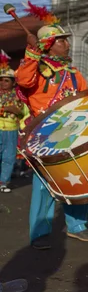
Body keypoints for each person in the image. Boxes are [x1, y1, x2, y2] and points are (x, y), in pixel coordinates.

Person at [16, 2, 88, 249]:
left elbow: (87, 99)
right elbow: (23, 79)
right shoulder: (37, 70)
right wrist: (32, 52)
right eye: (62, 40)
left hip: (74, 134)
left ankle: (77, 226)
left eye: (66, 40)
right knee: (44, 187)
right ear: (49, 45)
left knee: (79, 181)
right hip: (45, 137)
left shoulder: (74, 73)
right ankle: (40, 233)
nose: (67, 44)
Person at [0, 51, 25, 193]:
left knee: (9, 157)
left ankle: (4, 182)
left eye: (6, 80)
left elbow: (22, 112)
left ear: (13, 82)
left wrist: (15, 110)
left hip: (11, 131)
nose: (3, 83)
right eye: (1, 80)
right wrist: (6, 109)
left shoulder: (18, 96)